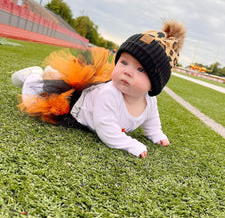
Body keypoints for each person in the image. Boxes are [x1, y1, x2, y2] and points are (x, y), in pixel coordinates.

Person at [11, 20, 186, 158]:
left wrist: (156, 134)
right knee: (36, 99)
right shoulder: (110, 94)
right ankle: (33, 77)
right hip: (75, 105)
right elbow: (106, 130)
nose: (127, 72)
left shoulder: (150, 101)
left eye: (140, 70)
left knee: (58, 80)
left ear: (155, 84)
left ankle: (51, 75)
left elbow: (151, 121)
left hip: (91, 95)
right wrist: (131, 144)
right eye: (124, 62)